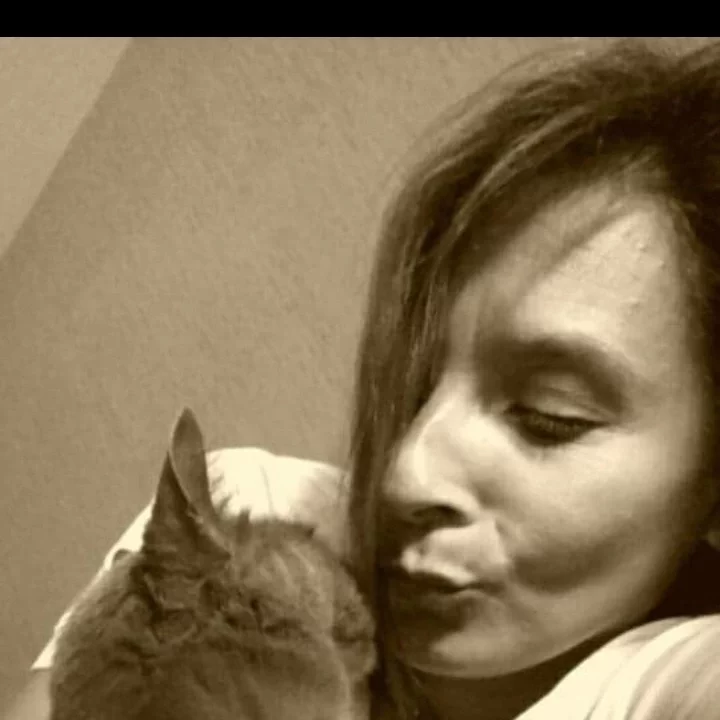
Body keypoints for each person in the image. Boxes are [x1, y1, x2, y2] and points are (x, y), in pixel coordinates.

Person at [7, 36, 720, 720]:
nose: (402, 475)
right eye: (410, 386)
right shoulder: (250, 532)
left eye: (547, 414)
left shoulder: (665, 679)